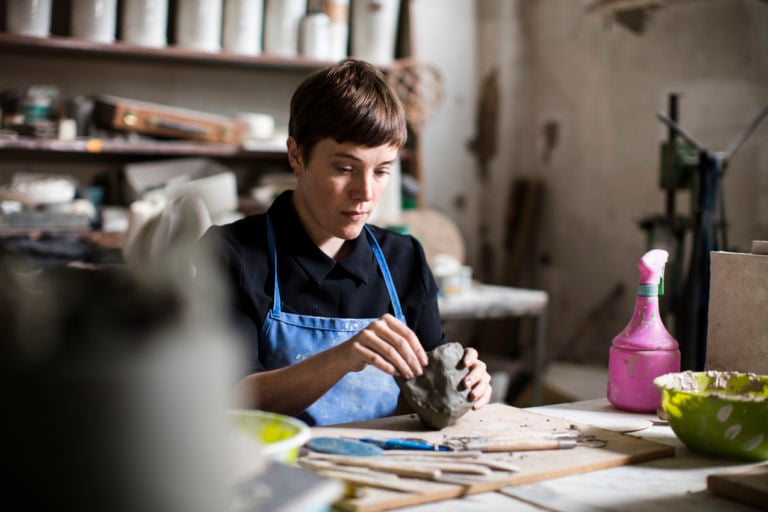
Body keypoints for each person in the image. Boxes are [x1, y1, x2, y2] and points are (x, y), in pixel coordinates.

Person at [199, 58, 491, 426]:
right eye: (344, 168)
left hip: (384, 466)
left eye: (382, 170)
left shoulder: (404, 258)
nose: (366, 193)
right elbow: (229, 398)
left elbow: (429, 388)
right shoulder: (231, 253)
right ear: (296, 155)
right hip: (275, 470)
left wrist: (466, 383)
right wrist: (342, 358)